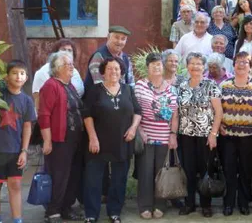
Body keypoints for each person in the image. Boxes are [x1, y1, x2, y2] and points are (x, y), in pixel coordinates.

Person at [82, 57, 142, 223]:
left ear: (121, 72)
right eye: (109, 69)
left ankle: (114, 212)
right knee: (93, 180)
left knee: (119, 180)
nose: (113, 72)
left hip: (122, 142)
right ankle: (91, 214)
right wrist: (92, 138)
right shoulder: (94, 90)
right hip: (98, 143)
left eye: (116, 69)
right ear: (103, 72)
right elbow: (87, 115)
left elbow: (137, 111)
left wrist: (133, 128)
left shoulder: (128, 89)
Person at [0, 60, 36, 223]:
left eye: (22, 73)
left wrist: (24, 150)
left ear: (26, 77)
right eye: (14, 73)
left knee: (15, 184)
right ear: (6, 77)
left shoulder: (27, 100)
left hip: (16, 149)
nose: (18, 76)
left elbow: (27, 126)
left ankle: (17, 219)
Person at [38, 52, 84, 223]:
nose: (72, 67)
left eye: (72, 63)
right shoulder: (51, 85)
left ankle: (66, 207)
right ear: (57, 69)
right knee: (59, 176)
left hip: (74, 140)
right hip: (59, 140)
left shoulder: (69, 85)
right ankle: (53, 211)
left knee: (72, 175)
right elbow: (44, 114)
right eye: (67, 64)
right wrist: (47, 140)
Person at [177, 52, 223, 218]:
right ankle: (189, 203)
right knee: (188, 170)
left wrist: (213, 133)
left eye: (198, 63)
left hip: (206, 135)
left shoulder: (211, 85)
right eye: (192, 63)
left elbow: (219, 112)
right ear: (187, 66)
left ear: (204, 67)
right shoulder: (181, 86)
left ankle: (206, 205)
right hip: (186, 135)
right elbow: (177, 112)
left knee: (206, 170)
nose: (195, 66)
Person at [135, 53, 179, 220]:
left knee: (162, 173)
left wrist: (173, 135)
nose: (156, 67)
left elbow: (175, 115)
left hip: (164, 137)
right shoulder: (140, 86)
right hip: (146, 137)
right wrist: (139, 130)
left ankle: (160, 204)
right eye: (152, 65)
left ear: (163, 67)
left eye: (158, 64)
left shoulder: (171, 88)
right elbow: (135, 109)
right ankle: (145, 206)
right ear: (148, 68)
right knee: (145, 172)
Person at [220, 51, 252, 216]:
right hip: (228, 136)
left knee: (246, 170)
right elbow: (216, 110)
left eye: (245, 62)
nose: (241, 64)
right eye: (238, 61)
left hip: (249, 137)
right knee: (229, 170)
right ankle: (228, 202)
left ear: (250, 66)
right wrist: (218, 127)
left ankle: (243, 202)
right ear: (233, 64)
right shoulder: (224, 86)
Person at [33, 39, 84, 109]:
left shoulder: (74, 71)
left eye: (70, 50)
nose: (67, 53)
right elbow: (38, 100)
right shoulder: (42, 72)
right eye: (63, 49)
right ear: (55, 53)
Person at [84, 26, 135, 91]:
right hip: (98, 98)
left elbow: (131, 84)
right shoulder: (99, 56)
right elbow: (99, 86)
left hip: (121, 98)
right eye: (116, 37)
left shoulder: (125, 58)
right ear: (108, 37)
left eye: (123, 39)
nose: (119, 42)